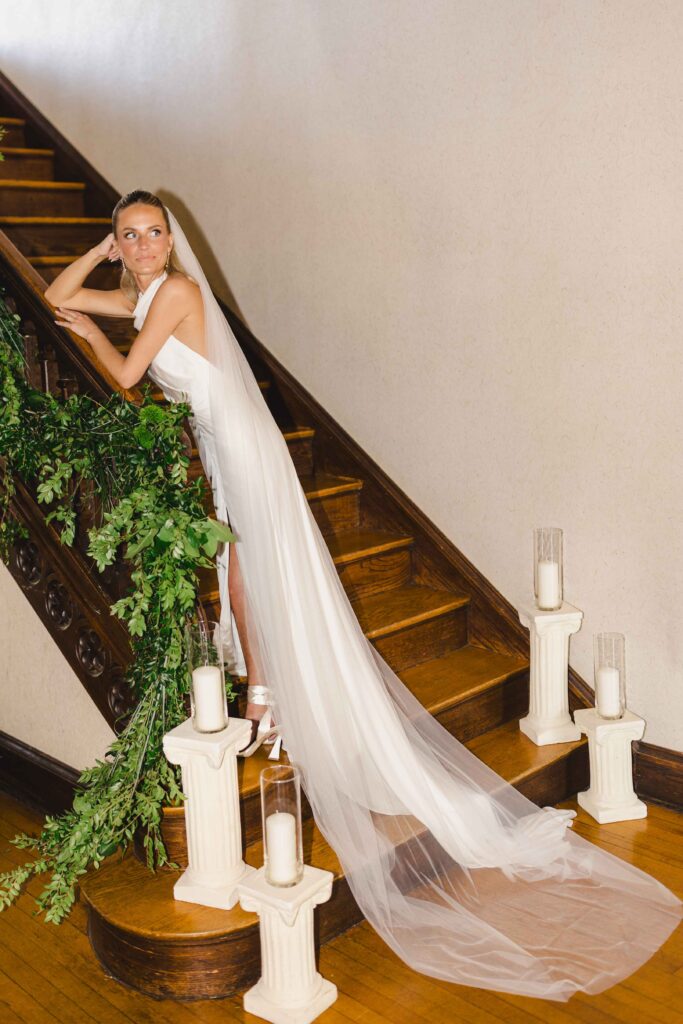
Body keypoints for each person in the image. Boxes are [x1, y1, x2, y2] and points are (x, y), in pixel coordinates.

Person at [45, 190, 682, 1002]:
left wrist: (101, 335)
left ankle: (263, 694)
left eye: (151, 233)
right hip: (221, 437)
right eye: (128, 236)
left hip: (238, 440)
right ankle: (264, 693)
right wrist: (101, 262)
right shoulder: (141, 284)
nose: (140, 245)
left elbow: (130, 374)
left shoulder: (173, 292)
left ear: (172, 240)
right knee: (240, 566)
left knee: (243, 568)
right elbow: (58, 296)